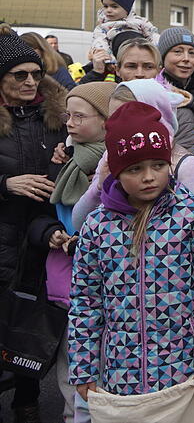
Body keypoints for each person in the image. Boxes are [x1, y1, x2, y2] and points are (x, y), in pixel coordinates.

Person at [68, 102, 194, 410]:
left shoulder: (192, 216)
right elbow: (85, 300)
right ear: (116, 170)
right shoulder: (98, 226)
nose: (149, 177)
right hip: (118, 372)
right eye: (134, 169)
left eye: (158, 165)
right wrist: (83, 366)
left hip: (182, 370)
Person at [0, 25, 67, 423]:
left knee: (31, 326)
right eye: (18, 75)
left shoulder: (56, 117)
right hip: (2, 236)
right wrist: (6, 184)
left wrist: (64, 164)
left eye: (35, 74)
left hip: (39, 239)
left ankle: (26, 402)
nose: (30, 82)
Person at [44, 83, 116, 423]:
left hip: (109, 283)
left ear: (105, 121)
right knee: (72, 370)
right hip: (66, 278)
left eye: (79, 116)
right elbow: (42, 214)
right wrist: (49, 233)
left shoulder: (115, 163)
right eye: (66, 115)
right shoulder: (64, 158)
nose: (69, 122)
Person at [71, 79, 194, 231]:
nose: (120, 125)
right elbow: (79, 223)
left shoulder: (186, 165)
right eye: (114, 118)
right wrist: (99, 187)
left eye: (158, 166)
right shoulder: (110, 156)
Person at [88, 0, 158, 64]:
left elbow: (152, 36)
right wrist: (109, 60)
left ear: (127, 9)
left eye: (114, 7)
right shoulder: (103, 27)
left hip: (141, 56)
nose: (108, 10)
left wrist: (155, 55)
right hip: (116, 59)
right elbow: (100, 43)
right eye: (105, 6)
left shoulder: (140, 22)